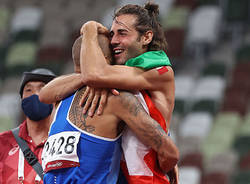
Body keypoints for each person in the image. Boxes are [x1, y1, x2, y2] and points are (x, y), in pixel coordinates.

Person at [40, 2, 178, 183]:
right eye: (112, 34)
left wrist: (89, 29)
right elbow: (44, 94)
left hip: (146, 176)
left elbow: (95, 73)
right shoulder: (114, 77)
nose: (113, 41)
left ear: (146, 37)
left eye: (122, 33)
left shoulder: (158, 70)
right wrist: (88, 78)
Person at [0, 68, 56, 184]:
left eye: (42, 89)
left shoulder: (66, 142)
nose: (35, 94)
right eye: (28, 90)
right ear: (21, 99)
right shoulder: (3, 142)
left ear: (55, 98)